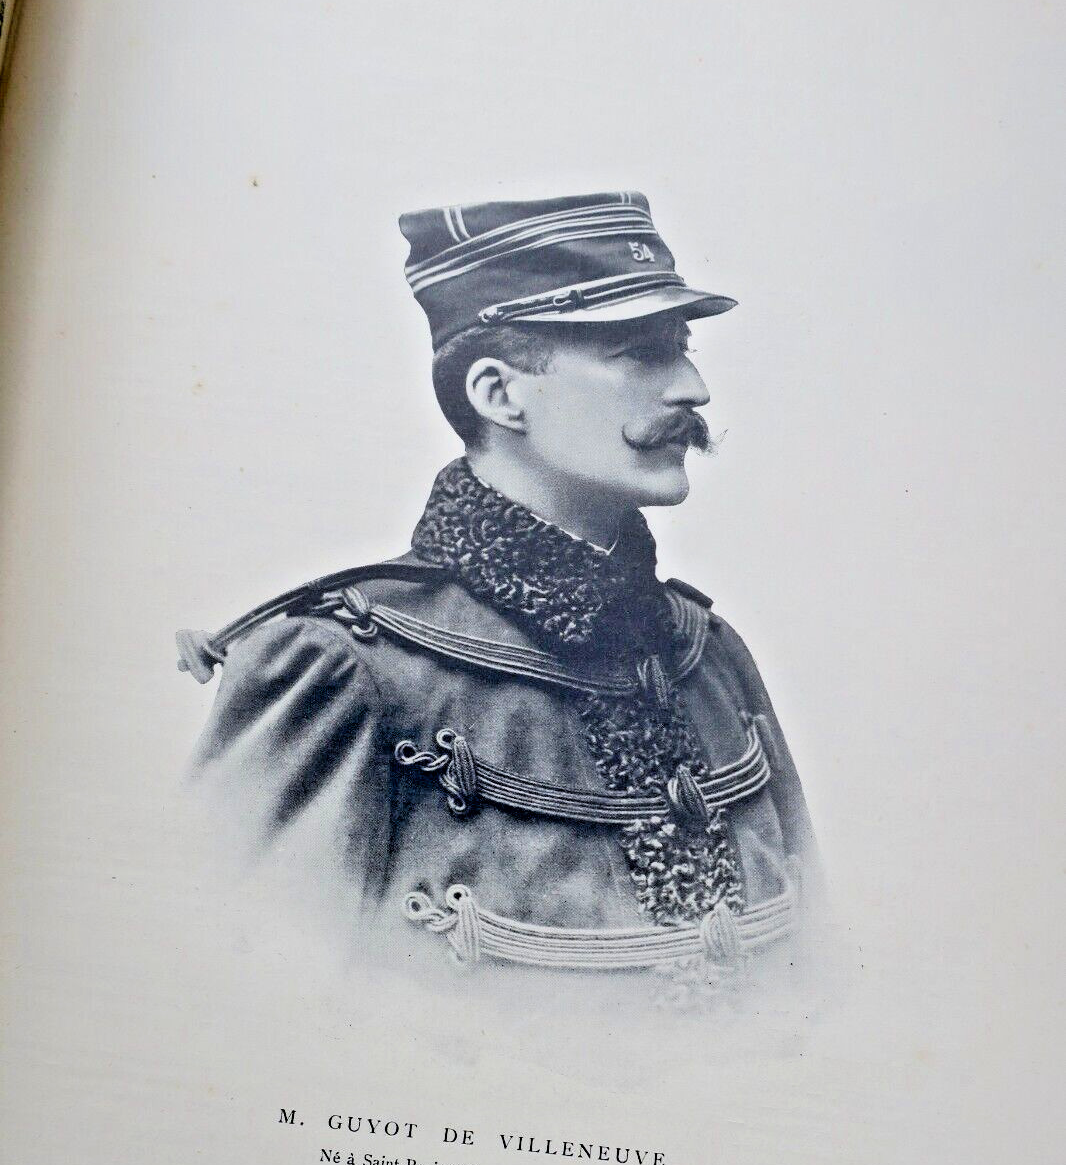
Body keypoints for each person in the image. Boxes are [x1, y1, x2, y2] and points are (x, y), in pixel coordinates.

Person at [178, 191, 817, 999]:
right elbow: (239, 1009)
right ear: (498, 394)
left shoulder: (709, 657)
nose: (692, 388)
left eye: (682, 348)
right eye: (638, 353)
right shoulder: (337, 666)